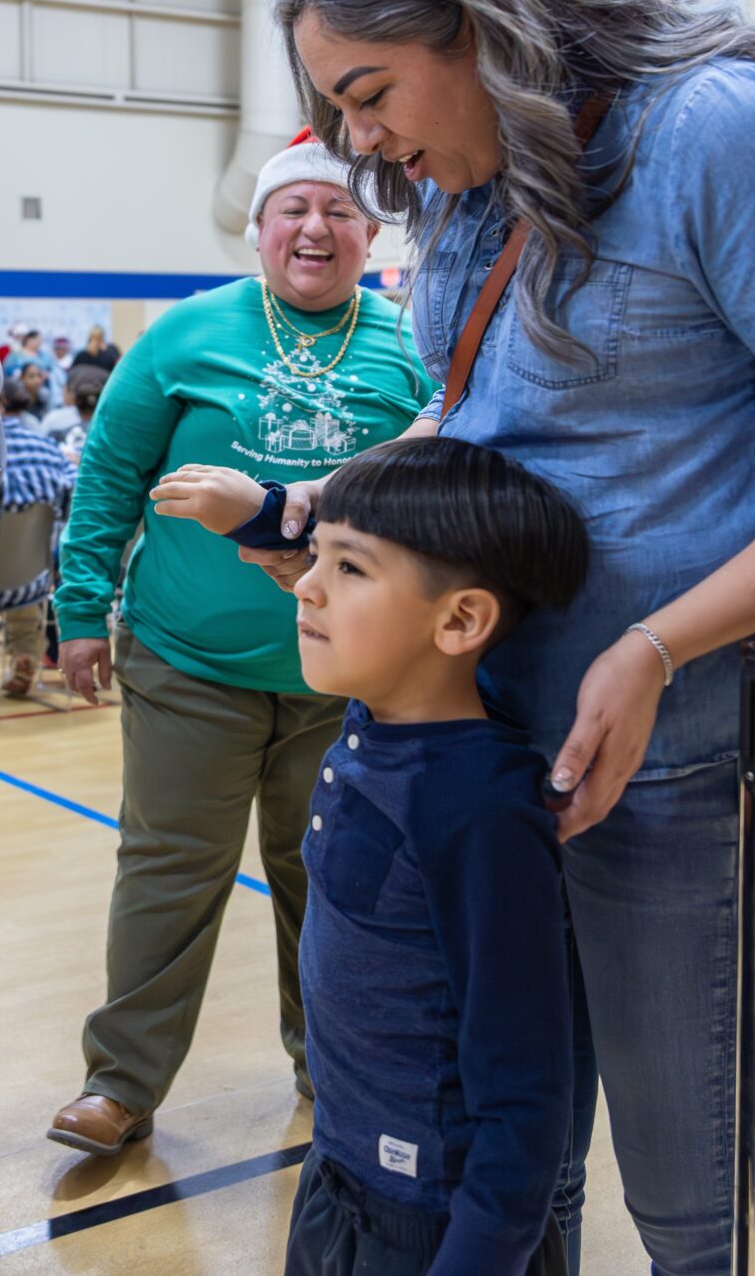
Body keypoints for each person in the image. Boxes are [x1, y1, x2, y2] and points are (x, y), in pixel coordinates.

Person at [261, 0, 755, 1274]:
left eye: (370, 93)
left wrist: (653, 646)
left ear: (474, 22)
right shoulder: (470, 183)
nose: (361, 141)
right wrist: (328, 517)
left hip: (685, 771)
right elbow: (488, 420)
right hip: (501, 757)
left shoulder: (720, 130)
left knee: (697, 1207)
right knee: (511, 1174)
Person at [44, 134, 435, 1158]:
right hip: (188, 664)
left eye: (339, 212)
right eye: (292, 209)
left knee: (334, 881)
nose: (315, 228)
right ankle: (120, 1081)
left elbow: (441, 488)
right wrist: (80, 610)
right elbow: (109, 476)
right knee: (168, 870)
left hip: (348, 675)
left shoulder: (412, 344)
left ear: (371, 236)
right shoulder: (185, 333)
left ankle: (331, 1068)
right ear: (258, 228)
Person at [228, 437, 582, 1276]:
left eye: (350, 567)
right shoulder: (370, 725)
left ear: (460, 619)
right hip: (337, 1173)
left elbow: (524, 1092)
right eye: (318, 555)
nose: (307, 584)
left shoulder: (480, 808)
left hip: (432, 1221)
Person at [0, 377, 76, 698]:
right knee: (22, 569)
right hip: (34, 576)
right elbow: (75, 495)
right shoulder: (49, 449)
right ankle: (25, 652)